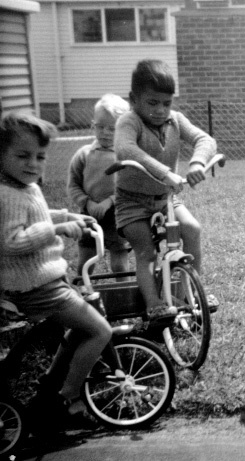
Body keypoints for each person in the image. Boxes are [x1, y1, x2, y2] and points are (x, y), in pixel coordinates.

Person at [0, 111, 112, 428]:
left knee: (82, 328)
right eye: (22, 156)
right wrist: (58, 230)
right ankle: (68, 397)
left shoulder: (23, 187)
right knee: (100, 330)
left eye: (40, 157)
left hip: (47, 282)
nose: (33, 164)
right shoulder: (6, 194)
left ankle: (50, 391)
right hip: (36, 288)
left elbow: (38, 215)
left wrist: (66, 216)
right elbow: (11, 242)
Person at [114, 59, 217, 324]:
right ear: (133, 99)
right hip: (132, 202)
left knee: (192, 229)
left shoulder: (175, 120)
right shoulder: (129, 122)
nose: (161, 110)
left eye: (166, 103)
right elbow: (125, 149)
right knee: (146, 252)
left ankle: (188, 294)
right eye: (152, 103)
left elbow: (205, 139)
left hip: (166, 199)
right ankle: (155, 306)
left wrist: (197, 162)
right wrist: (164, 171)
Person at [67, 93, 131, 278]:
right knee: (85, 263)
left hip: (118, 215)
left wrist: (109, 202)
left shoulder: (124, 156)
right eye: (100, 127)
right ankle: (83, 293)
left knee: (120, 265)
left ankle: (123, 293)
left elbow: (129, 186)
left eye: (112, 129)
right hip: (90, 214)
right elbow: (73, 185)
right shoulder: (83, 155)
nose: (105, 133)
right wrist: (87, 203)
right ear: (92, 125)